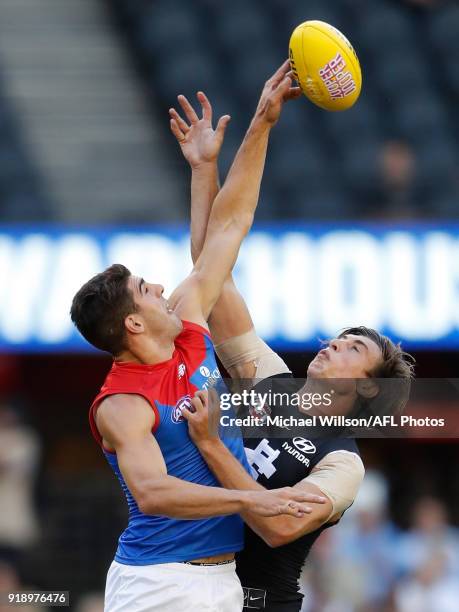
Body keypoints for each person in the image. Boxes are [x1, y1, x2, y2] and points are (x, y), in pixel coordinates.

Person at [70, 62, 324, 612]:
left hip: (220, 581)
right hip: (157, 584)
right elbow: (153, 492)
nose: (161, 285)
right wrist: (252, 499)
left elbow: (228, 230)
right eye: (144, 288)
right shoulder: (123, 403)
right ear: (133, 325)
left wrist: (260, 123)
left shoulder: (187, 328)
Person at [169, 90, 415, 611]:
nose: (330, 345)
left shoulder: (342, 463)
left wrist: (212, 446)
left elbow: (280, 528)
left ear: (368, 384)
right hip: (191, 587)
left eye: (351, 347)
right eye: (336, 337)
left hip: (258, 601)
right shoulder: (269, 378)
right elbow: (211, 273)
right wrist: (208, 165)